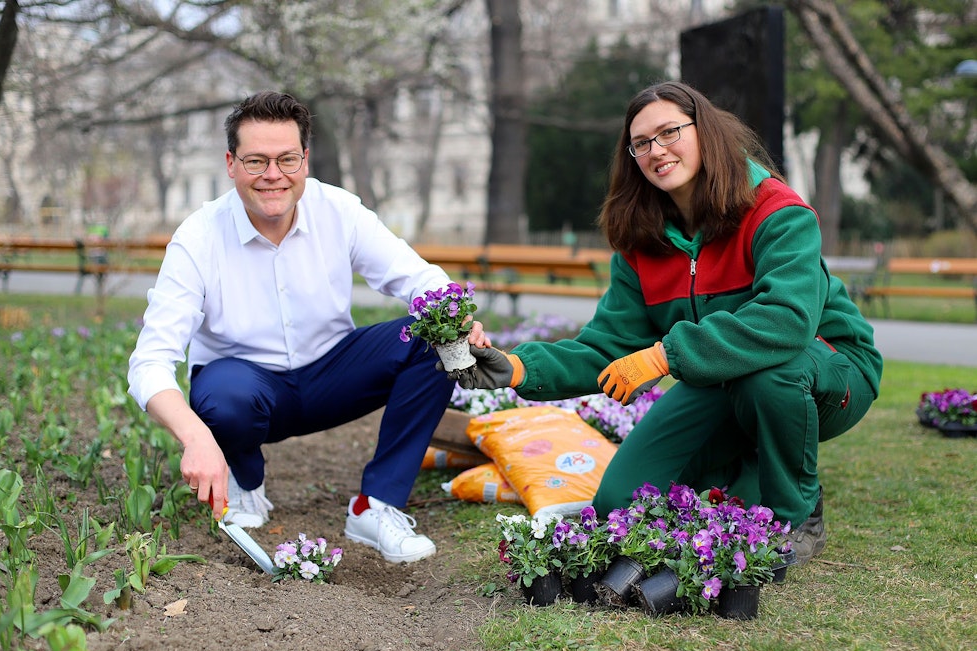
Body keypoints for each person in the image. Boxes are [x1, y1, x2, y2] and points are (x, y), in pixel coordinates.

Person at [458, 81, 883, 565]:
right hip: (723, 381)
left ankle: (796, 516)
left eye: (669, 132)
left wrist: (664, 357)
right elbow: (608, 346)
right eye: (640, 143)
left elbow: (787, 320)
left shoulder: (775, 211)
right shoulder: (644, 241)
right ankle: (748, 465)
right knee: (619, 503)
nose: (656, 150)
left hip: (827, 369)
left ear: (705, 130)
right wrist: (515, 366)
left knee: (769, 378)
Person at [128, 91, 490, 564]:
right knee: (222, 394)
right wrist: (196, 438)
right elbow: (150, 362)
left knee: (436, 338)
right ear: (231, 164)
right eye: (256, 161)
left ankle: (377, 506)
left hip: (332, 375)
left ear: (305, 160)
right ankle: (245, 481)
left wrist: (458, 317)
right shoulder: (198, 237)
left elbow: (418, 278)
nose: (273, 174)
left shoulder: (338, 209)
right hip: (248, 389)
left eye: (286, 159)